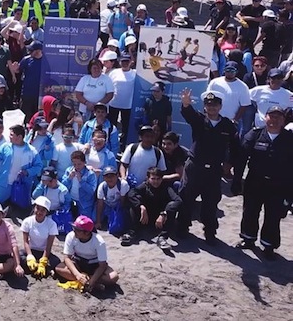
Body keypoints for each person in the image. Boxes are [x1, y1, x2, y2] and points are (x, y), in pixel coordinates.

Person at [177, 89, 240, 244]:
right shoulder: (199, 119)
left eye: (215, 105)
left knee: (211, 202)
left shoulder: (228, 125)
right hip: (195, 167)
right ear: (205, 106)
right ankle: (182, 228)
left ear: (220, 106)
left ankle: (210, 232)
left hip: (213, 170)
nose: (211, 108)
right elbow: (188, 114)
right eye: (208, 104)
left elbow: (235, 146)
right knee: (186, 198)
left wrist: (229, 162)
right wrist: (186, 104)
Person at [233, 106, 293, 259]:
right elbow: (241, 158)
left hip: (278, 185)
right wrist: (237, 180)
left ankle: (268, 245)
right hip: (255, 182)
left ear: (283, 120)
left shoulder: (289, 139)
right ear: (265, 117)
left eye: (278, 117)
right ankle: (248, 238)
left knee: (273, 216)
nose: (274, 120)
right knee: (250, 211)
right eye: (271, 116)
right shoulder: (255, 134)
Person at [55, 215, 119, 293]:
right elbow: (67, 257)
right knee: (59, 268)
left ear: (87, 232)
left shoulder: (99, 241)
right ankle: (89, 282)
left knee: (113, 277)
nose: (74, 231)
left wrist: (92, 280)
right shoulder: (71, 236)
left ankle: (87, 281)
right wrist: (77, 274)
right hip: (78, 263)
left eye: (77, 230)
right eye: (74, 228)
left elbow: (102, 265)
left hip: (95, 265)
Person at [122, 167, 182, 249]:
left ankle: (162, 237)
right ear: (148, 178)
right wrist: (141, 206)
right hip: (145, 219)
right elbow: (131, 193)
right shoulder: (145, 186)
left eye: (158, 179)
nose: (156, 181)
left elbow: (178, 201)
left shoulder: (166, 188)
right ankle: (132, 232)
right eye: (153, 179)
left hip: (160, 221)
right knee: (135, 201)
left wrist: (164, 213)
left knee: (172, 205)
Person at [0, 124, 42, 206]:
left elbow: (39, 166)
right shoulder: (6, 146)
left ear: (19, 137)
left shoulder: (32, 151)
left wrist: (27, 172)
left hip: (22, 185)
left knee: (22, 207)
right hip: (5, 183)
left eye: (11, 135)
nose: (9, 136)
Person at [20, 196, 60, 277]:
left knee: (56, 261)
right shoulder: (27, 221)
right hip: (31, 250)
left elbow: (49, 245)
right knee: (17, 255)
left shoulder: (51, 224)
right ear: (34, 208)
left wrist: (44, 259)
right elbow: (25, 241)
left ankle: (38, 267)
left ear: (47, 212)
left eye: (43, 210)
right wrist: (30, 256)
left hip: (43, 251)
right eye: (37, 208)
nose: (39, 212)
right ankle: (43, 269)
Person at [95, 165, 130, 232]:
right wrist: (98, 221)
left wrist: (118, 215)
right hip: (108, 205)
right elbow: (100, 204)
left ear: (117, 175)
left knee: (117, 225)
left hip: (119, 206)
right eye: (107, 176)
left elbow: (123, 201)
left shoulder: (123, 184)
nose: (109, 178)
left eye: (112, 176)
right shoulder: (102, 186)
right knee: (94, 217)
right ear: (103, 178)